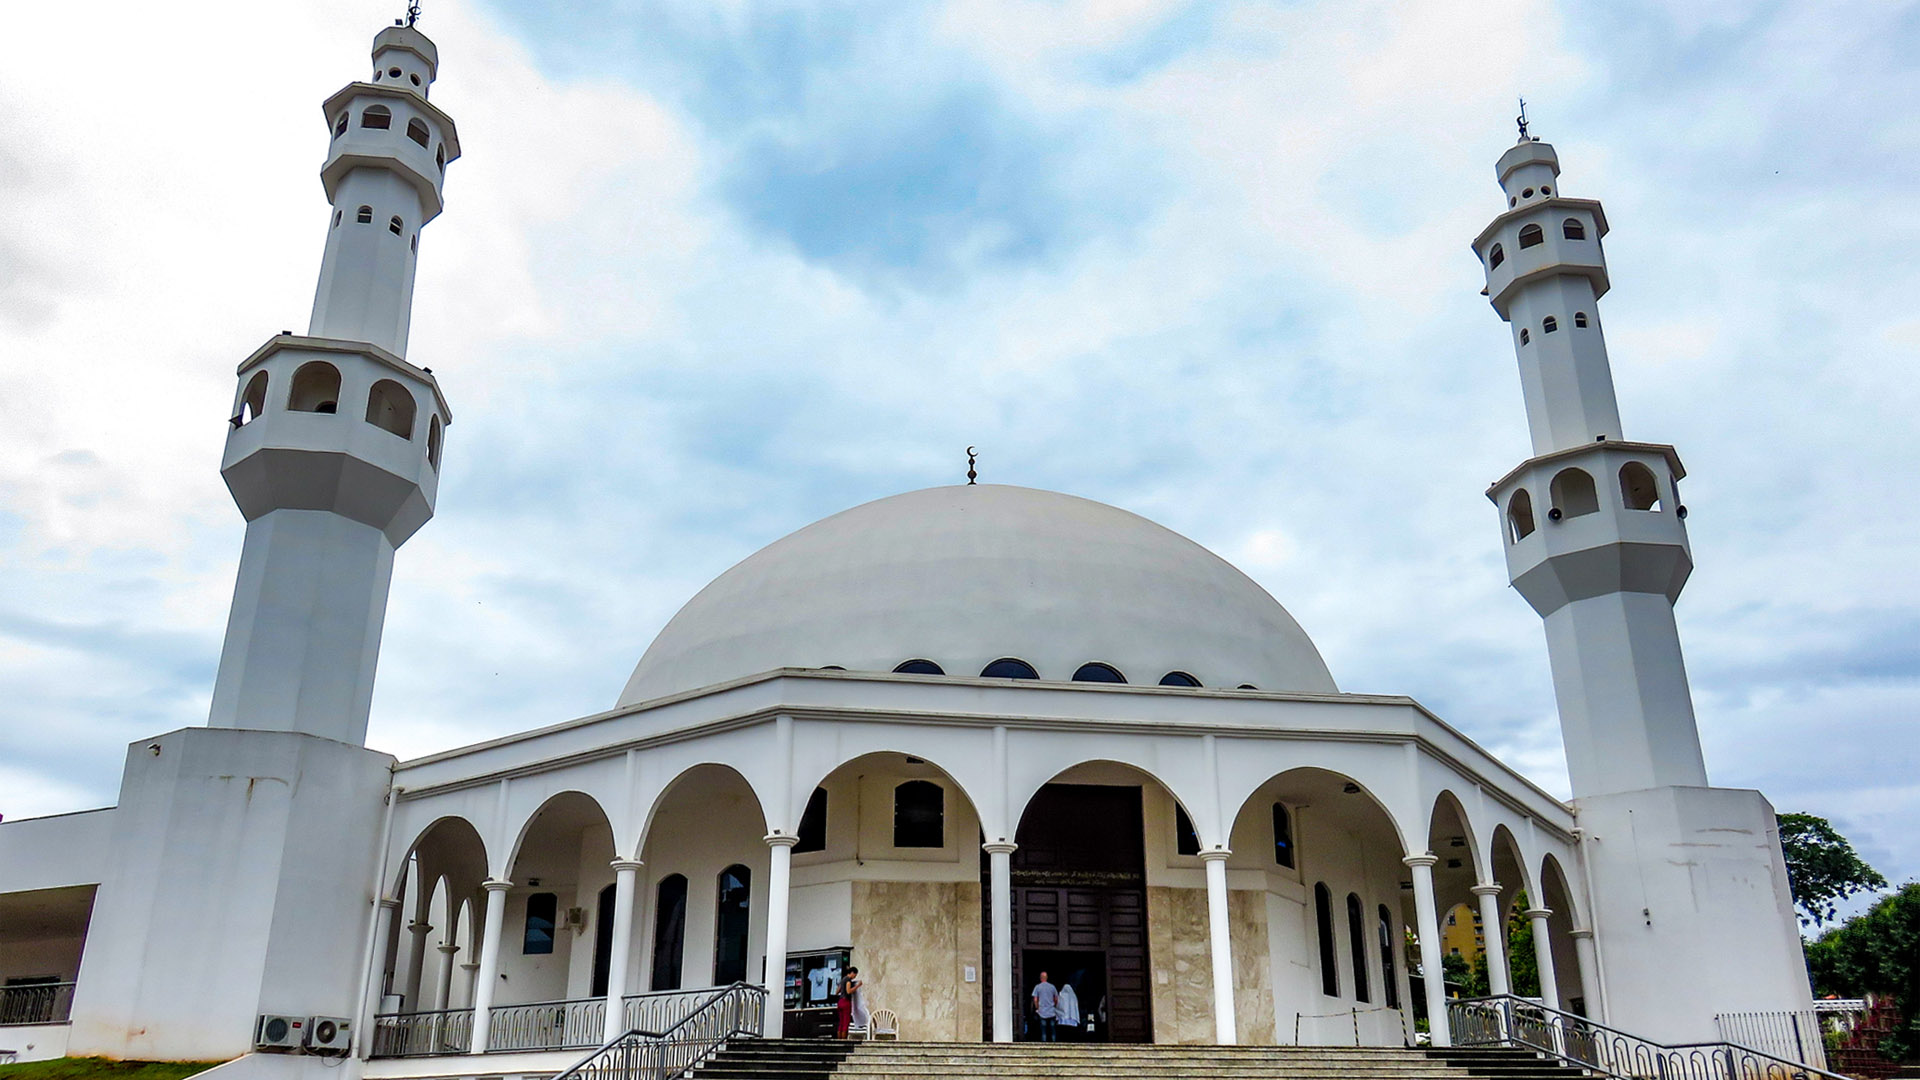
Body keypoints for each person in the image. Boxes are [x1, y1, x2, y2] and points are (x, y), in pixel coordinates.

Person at [837, 966, 867, 1038]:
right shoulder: (848, 980)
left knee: (841, 1022)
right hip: (846, 1002)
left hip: (840, 1001)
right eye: (855, 975)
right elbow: (848, 991)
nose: (855, 977)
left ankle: (838, 1040)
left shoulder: (842, 979)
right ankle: (843, 1040)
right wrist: (857, 986)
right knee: (845, 1023)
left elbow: (837, 991)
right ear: (852, 973)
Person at [1030, 971, 1058, 1042]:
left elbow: (1035, 999)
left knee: (1043, 1030)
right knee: (1052, 1029)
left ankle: (1044, 1045)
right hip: (1051, 1011)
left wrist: (1037, 1008)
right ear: (1047, 978)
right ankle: (1054, 1044)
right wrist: (1054, 1005)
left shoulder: (1038, 987)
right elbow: (1056, 999)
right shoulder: (1052, 987)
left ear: (1040, 978)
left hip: (1042, 1012)